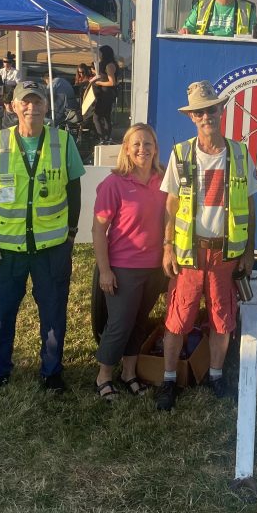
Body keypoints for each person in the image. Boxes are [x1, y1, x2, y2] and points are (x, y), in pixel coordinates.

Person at [0, 79, 85, 394]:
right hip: (6, 248)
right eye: (25, 101)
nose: (31, 107)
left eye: (37, 102)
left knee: (53, 312)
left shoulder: (63, 141)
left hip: (52, 248)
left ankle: (52, 372)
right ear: (12, 106)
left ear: (46, 106)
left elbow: (74, 190)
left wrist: (71, 234)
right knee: (1, 313)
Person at [155, 80, 257, 411]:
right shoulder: (181, 153)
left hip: (225, 253)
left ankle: (216, 376)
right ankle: (169, 380)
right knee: (178, 318)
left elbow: (250, 206)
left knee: (222, 317)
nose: (206, 116)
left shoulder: (241, 153)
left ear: (221, 110)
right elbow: (171, 205)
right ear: (192, 117)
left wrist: (247, 251)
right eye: (199, 112)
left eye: (211, 109)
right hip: (189, 253)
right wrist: (168, 247)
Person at [91, 124, 168, 402]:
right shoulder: (115, 183)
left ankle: (129, 373)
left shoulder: (164, 180)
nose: (142, 149)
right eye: (136, 144)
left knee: (138, 322)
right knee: (120, 324)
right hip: (123, 267)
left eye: (148, 144)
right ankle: (103, 376)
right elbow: (99, 229)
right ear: (126, 148)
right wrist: (105, 270)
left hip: (155, 267)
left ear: (156, 148)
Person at [89, 45, 118, 144]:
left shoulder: (109, 65)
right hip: (104, 93)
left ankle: (103, 138)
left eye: (100, 53)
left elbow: (112, 82)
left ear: (105, 54)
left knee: (96, 117)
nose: (99, 55)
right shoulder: (104, 64)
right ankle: (106, 138)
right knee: (106, 116)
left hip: (106, 93)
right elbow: (102, 76)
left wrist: (99, 83)